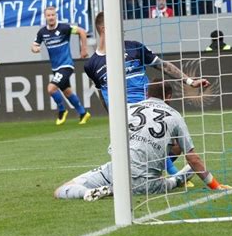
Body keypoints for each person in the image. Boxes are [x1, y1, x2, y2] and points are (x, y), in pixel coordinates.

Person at [54, 79, 232, 201]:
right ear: (169, 97)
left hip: (116, 170)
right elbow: (193, 158)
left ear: (147, 93)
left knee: (61, 190)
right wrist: (215, 186)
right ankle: (181, 176)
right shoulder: (175, 116)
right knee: (172, 181)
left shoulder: (129, 107)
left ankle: (88, 193)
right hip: (147, 183)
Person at [85, 11, 209, 175]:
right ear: (105, 29)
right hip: (127, 115)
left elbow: (163, 66)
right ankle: (173, 175)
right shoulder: (92, 64)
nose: (122, 30)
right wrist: (114, 118)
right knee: (138, 151)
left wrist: (190, 81)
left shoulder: (134, 47)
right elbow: (102, 93)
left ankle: (159, 172)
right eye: (117, 26)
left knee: (177, 145)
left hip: (149, 108)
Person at [31, 6, 91, 125]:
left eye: (53, 15)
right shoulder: (42, 32)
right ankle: (83, 113)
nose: (51, 17)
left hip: (66, 65)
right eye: (48, 15)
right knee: (67, 92)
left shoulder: (64, 28)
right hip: (55, 68)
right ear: (45, 17)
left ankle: (62, 111)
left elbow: (82, 32)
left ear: (56, 16)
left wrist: (83, 49)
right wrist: (35, 49)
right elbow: (34, 45)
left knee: (51, 88)